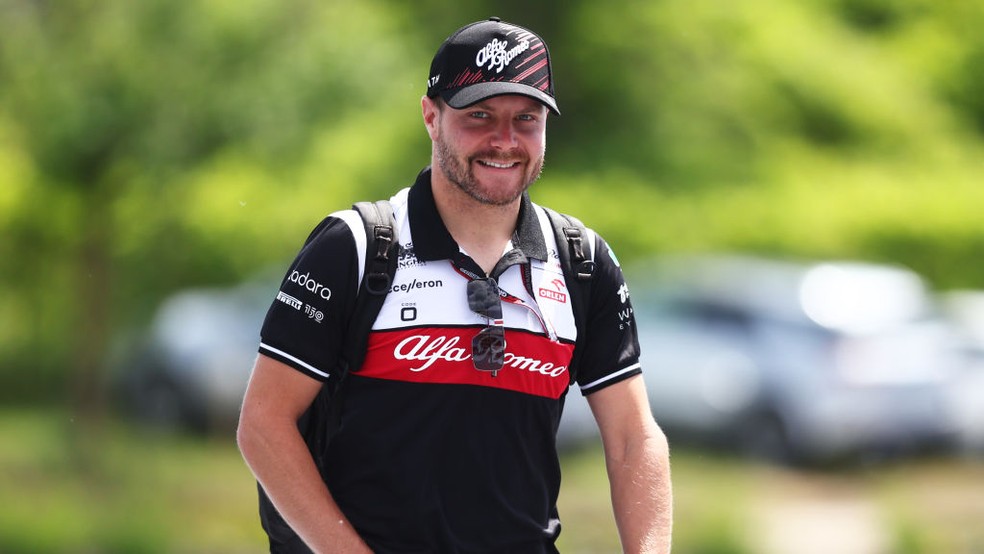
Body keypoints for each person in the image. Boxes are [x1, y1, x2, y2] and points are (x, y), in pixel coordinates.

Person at [238, 17, 672, 553]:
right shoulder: (354, 245)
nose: (505, 141)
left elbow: (634, 439)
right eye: (480, 116)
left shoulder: (583, 262)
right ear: (431, 117)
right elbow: (263, 424)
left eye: (527, 119)